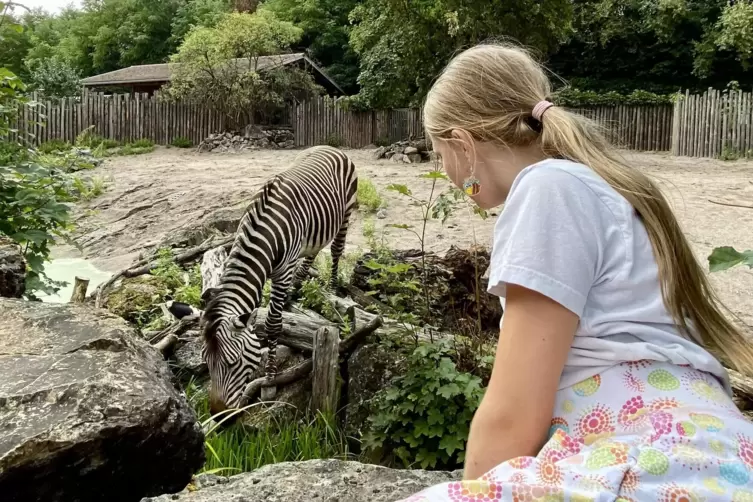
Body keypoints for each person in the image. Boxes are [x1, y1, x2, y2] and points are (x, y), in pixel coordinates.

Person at [397, 43, 753, 502]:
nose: (443, 167)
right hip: (687, 446)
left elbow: (514, 412)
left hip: (654, 452)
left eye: (437, 150)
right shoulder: (596, 183)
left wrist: (475, 492)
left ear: (462, 144)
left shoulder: (549, 189)